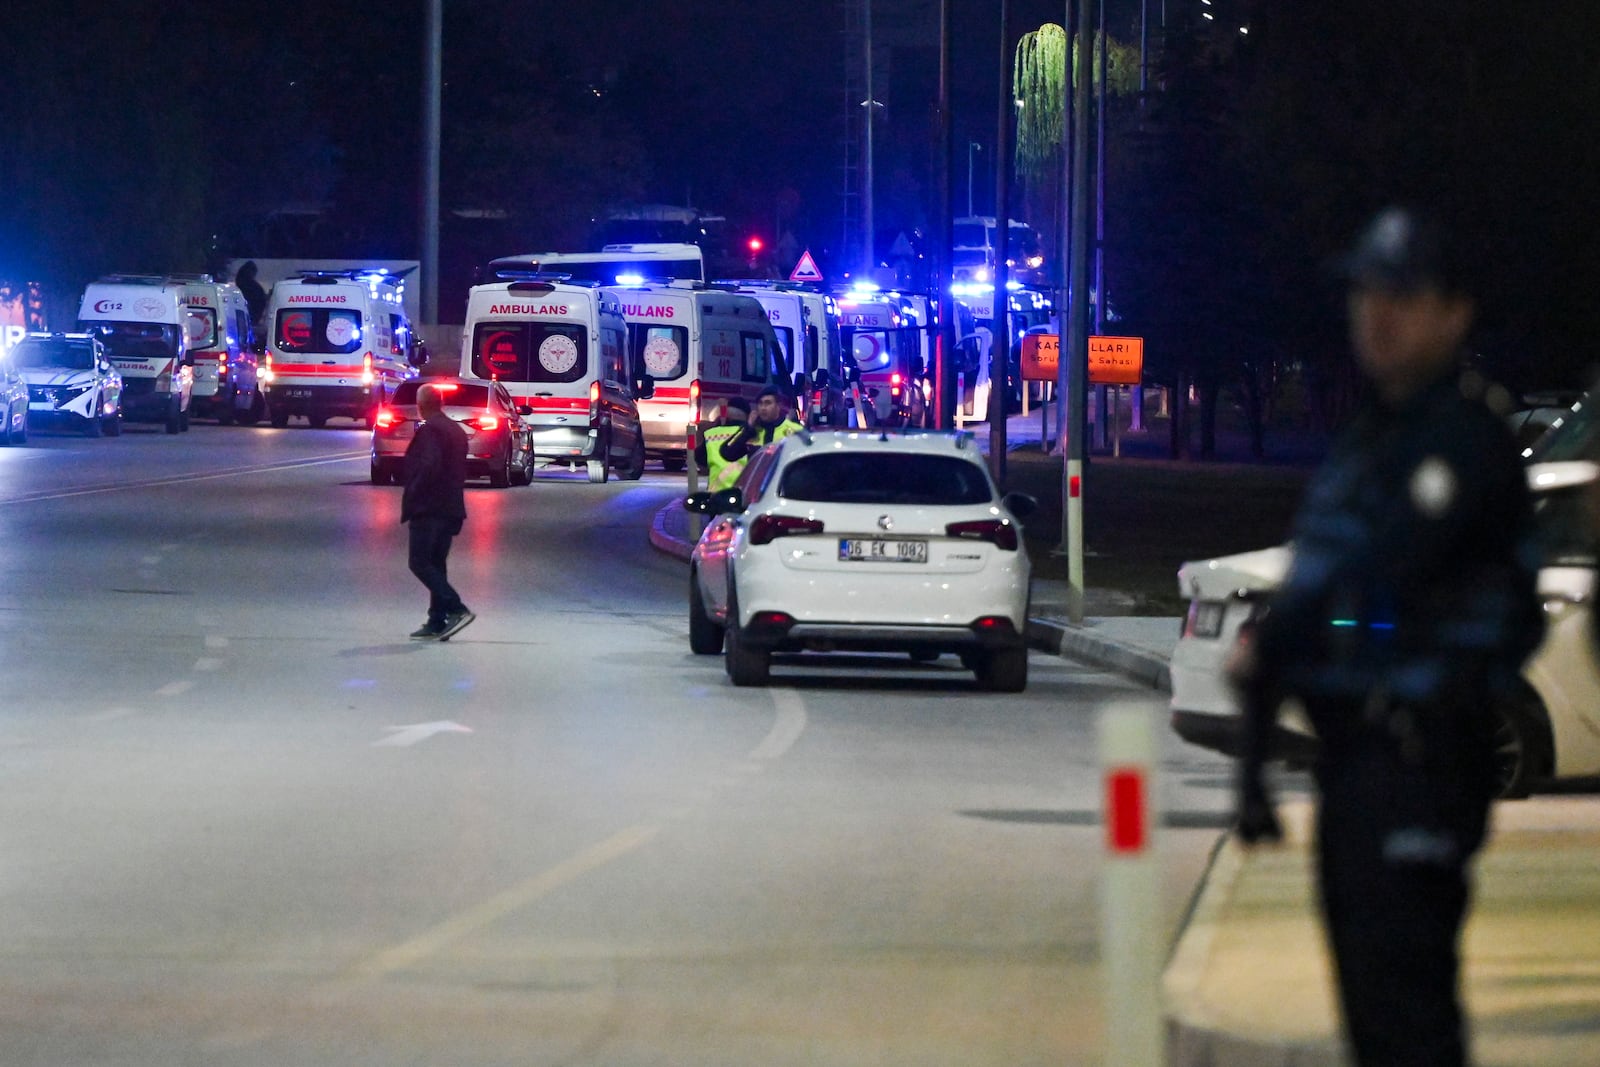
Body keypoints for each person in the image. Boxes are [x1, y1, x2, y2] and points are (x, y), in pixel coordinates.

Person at [1227, 206, 1543, 1067]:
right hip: (1358, 763)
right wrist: (1258, 747)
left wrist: (1294, 639)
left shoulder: (1462, 440)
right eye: (1367, 292)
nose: (1379, 314)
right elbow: (1326, 589)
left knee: (1407, 1011)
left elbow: (1370, 578)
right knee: (1375, 1009)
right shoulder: (1371, 435)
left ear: (1455, 311)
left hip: (1423, 759)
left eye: (1403, 293)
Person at [401, 383, 475, 641]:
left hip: (429, 507)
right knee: (436, 563)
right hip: (451, 506)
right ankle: (436, 619)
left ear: (421, 406)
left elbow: (427, 466)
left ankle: (455, 607)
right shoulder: (455, 429)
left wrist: (414, 493)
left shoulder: (430, 430)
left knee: (419, 562)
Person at [712, 386, 804, 489]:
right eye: (760, 403)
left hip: (782, 488)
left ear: (778, 406)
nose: (763, 408)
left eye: (768, 403)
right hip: (754, 490)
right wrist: (748, 428)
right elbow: (727, 453)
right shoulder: (752, 430)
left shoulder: (795, 430)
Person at [698, 396, 751, 492]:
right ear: (747, 416)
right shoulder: (750, 434)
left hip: (716, 494)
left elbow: (701, 461)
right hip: (743, 495)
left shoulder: (710, 434)